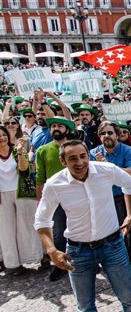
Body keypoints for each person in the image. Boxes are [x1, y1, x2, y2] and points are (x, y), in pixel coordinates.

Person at [34, 140, 131, 312]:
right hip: (77, 251)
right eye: (73, 158)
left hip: (112, 245)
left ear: (89, 155)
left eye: (83, 156)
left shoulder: (105, 171)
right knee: (85, 307)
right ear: (63, 161)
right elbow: (41, 220)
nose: (80, 162)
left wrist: (129, 214)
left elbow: (129, 185)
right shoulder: (55, 185)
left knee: (129, 299)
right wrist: (51, 250)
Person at [35, 116, 74, 282]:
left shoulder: (74, 148)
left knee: (79, 230)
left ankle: (88, 263)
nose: (56, 129)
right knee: (58, 233)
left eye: (59, 126)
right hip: (55, 199)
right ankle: (60, 264)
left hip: (75, 196)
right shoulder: (42, 151)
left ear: (67, 129)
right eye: (53, 126)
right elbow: (40, 177)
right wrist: (40, 200)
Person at [0, 125, 42, 275]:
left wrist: (19, 152)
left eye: (4, 135)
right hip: (2, 196)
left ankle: (35, 256)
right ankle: (12, 263)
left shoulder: (18, 149)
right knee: (6, 230)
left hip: (22, 190)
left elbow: (24, 170)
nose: (2, 138)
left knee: (27, 225)